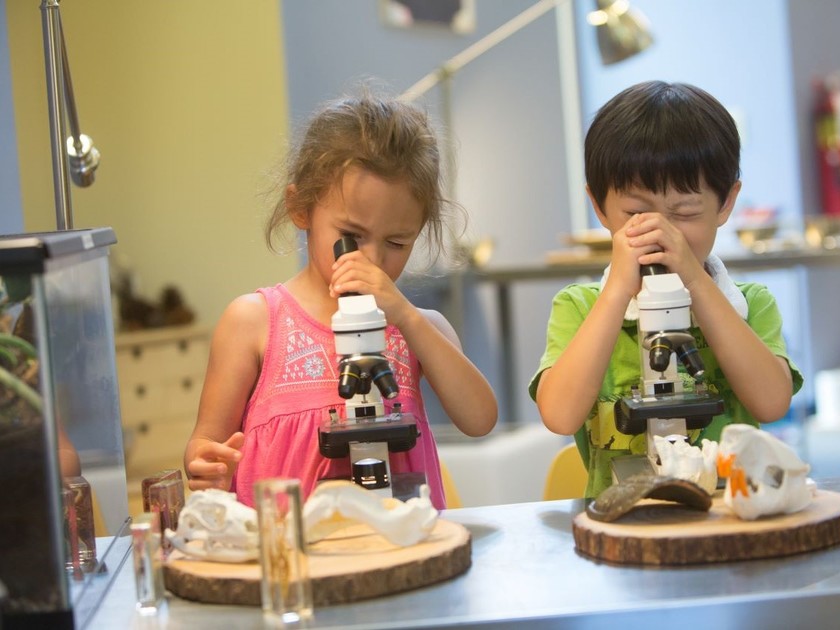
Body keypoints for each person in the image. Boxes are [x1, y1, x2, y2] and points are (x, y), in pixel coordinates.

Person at [184, 88, 498, 509]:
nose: (372, 259)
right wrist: (205, 464)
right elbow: (207, 444)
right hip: (292, 558)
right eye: (352, 235)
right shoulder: (253, 322)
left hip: (397, 556)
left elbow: (480, 419)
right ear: (301, 208)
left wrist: (404, 315)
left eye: (396, 242)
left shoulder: (419, 328)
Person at [529, 81, 803, 498]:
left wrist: (695, 279)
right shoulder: (580, 306)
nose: (662, 233)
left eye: (685, 212)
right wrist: (617, 292)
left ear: (726, 203)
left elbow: (771, 403)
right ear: (599, 206)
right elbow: (560, 416)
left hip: (731, 518)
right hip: (626, 527)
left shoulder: (750, 305)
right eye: (637, 213)